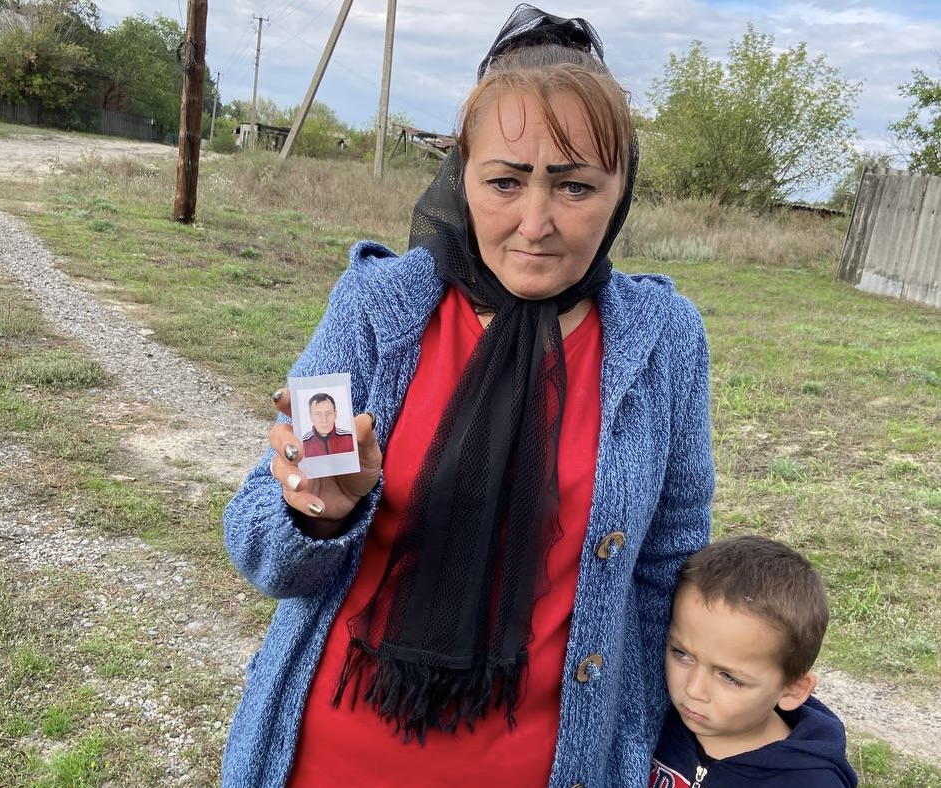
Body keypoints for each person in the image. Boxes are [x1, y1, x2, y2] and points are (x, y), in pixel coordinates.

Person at [222, 5, 715, 787]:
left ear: (620, 193)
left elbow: (669, 568)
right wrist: (320, 510)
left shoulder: (665, 340)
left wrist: (652, 749)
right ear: (463, 177)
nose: (536, 222)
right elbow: (261, 551)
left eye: (575, 185)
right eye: (505, 181)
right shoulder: (376, 310)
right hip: (330, 760)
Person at [649, 535, 858, 787]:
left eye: (729, 677)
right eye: (682, 654)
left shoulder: (809, 780)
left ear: (792, 690)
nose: (693, 689)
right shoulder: (655, 722)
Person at [300, 392, 355, 456]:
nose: (324, 420)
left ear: (335, 414)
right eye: (318, 414)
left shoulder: (350, 439)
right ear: (311, 417)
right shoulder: (302, 444)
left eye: (328, 413)